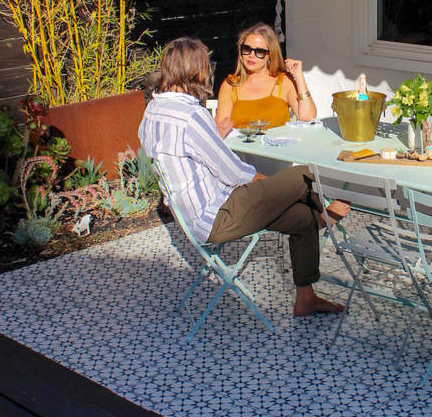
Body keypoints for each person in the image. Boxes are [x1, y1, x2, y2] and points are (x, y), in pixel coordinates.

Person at [139, 36, 346, 317]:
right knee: (302, 176)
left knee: (301, 219)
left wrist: (215, 138)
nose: (208, 72)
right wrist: (266, 183)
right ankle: (327, 213)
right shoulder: (190, 115)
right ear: (195, 72)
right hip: (217, 216)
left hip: (194, 218)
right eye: (205, 66)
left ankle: (306, 298)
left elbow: (190, 155)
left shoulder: (153, 109)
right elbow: (233, 172)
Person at [216, 23, 316, 135]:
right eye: (247, 49)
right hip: (242, 150)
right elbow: (221, 131)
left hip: (276, 150)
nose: (251, 55)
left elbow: (308, 118)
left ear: (270, 54)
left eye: (259, 52)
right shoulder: (231, 85)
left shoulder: (283, 82)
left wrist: (299, 77)